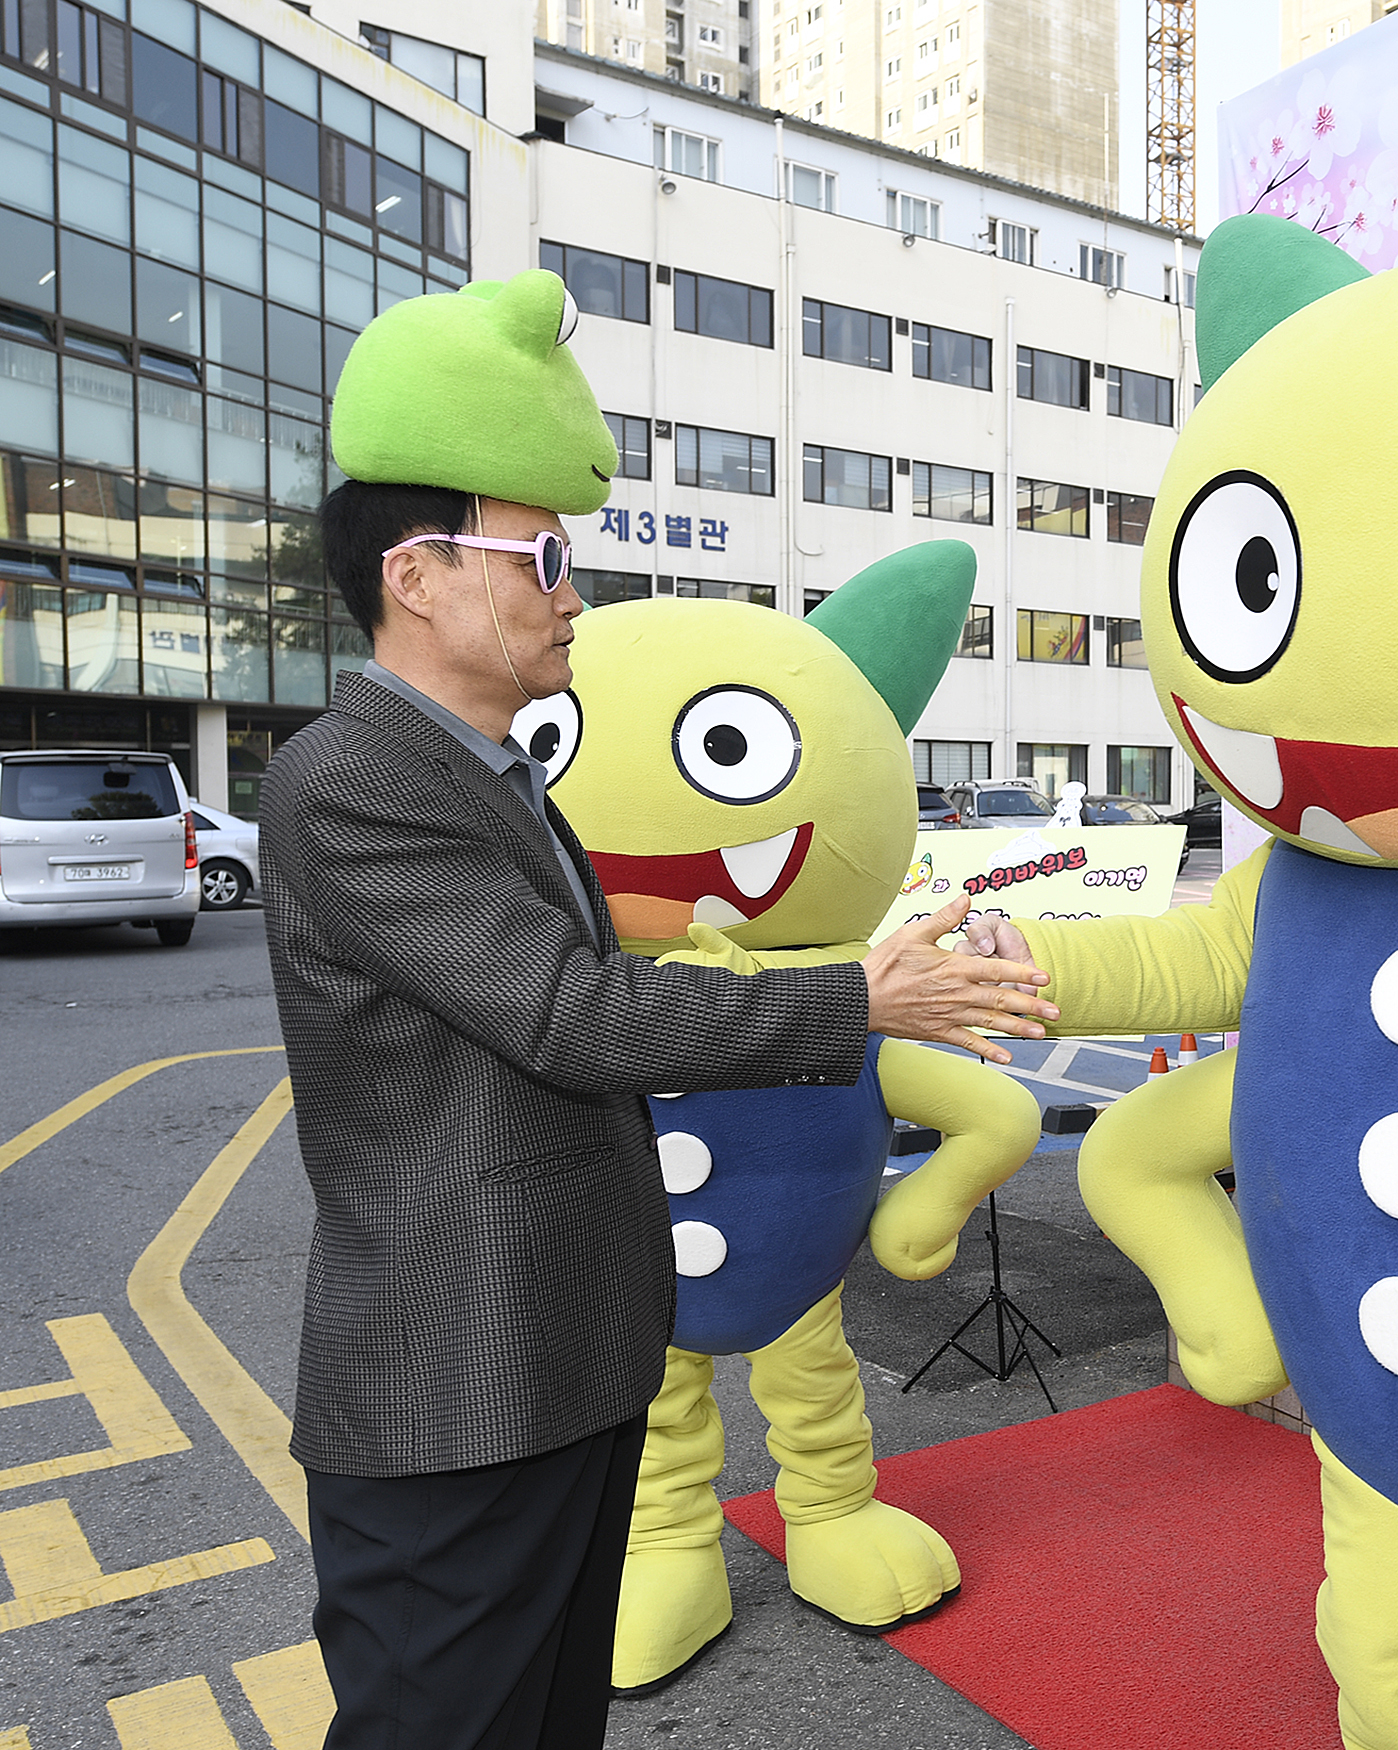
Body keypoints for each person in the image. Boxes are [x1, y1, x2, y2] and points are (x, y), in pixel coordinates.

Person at [256, 269, 1057, 1750]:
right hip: (463, 1379)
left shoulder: (494, 774)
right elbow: (572, 1015)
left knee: (549, 1711)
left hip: (573, 1353)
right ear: (413, 572)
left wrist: (851, 958)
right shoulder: (355, 775)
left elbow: (623, 976)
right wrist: (857, 994)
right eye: (542, 556)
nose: (573, 594)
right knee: (445, 1720)